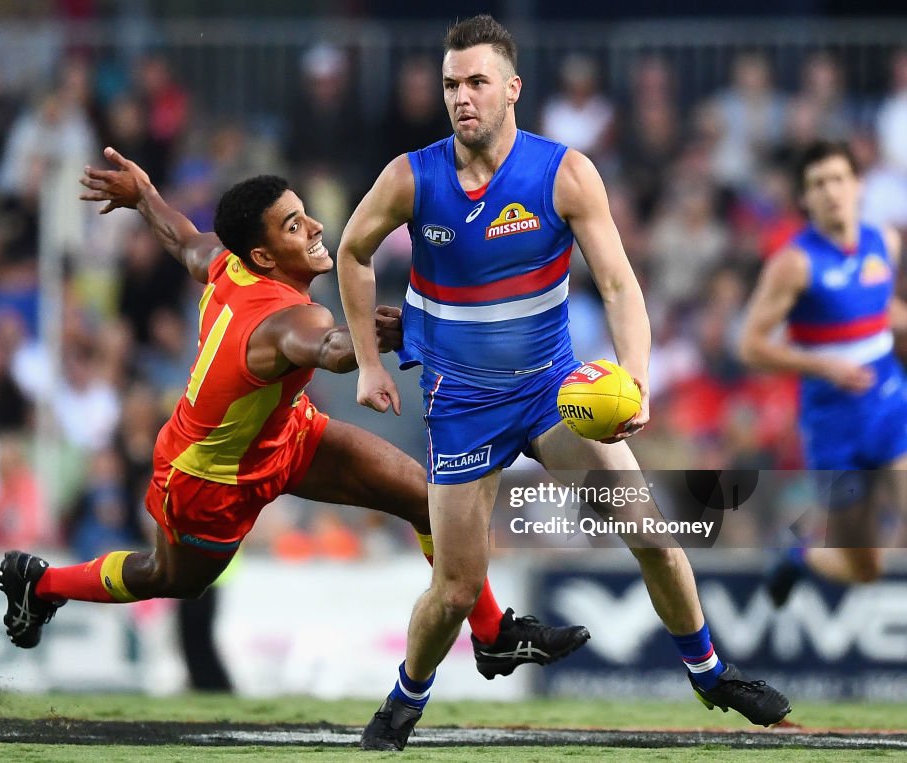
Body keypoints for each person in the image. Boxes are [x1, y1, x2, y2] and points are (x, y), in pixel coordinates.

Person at [336, 15, 790, 750]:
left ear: (513, 88)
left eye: (477, 81)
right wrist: (365, 360)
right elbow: (352, 252)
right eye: (452, 84)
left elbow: (617, 283)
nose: (462, 97)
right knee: (454, 590)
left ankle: (711, 674)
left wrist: (636, 378)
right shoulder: (409, 176)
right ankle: (402, 703)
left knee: (653, 533)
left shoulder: (564, 173)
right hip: (463, 407)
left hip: (554, 393)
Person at [0, 146, 590, 685]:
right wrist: (383, 341)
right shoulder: (291, 321)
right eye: (293, 225)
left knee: (422, 495)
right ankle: (41, 583)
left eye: (304, 214)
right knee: (171, 579)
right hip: (209, 476)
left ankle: (493, 636)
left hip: (284, 432)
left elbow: (182, 239)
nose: (314, 227)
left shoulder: (228, 263)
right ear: (263, 254)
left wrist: (144, 197)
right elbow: (329, 349)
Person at [740, 140, 906, 605]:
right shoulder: (793, 264)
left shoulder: (884, 243)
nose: (830, 191)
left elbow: (879, 309)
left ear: (858, 186)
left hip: (892, 410)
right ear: (804, 199)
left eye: (838, 179)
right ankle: (802, 557)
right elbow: (750, 345)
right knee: (866, 567)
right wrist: (822, 365)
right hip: (835, 429)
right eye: (817, 184)